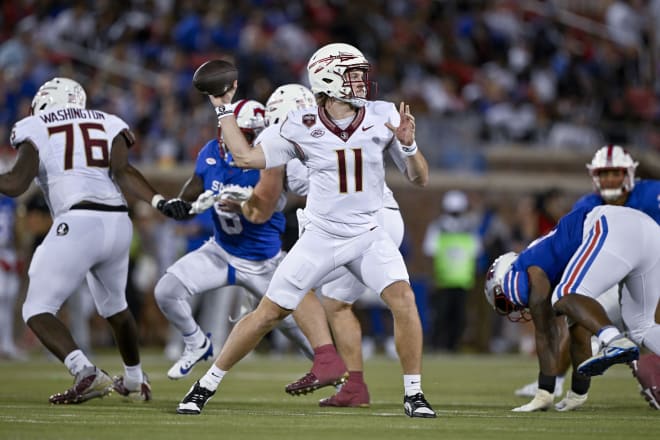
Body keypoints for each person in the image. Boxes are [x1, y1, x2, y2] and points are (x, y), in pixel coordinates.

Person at [176, 43, 436, 418]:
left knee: (404, 300)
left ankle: (414, 394)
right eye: (353, 74)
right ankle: (205, 385)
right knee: (267, 314)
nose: (362, 81)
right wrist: (223, 109)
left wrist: (409, 147)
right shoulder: (299, 124)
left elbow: (420, 178)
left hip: (369, 233)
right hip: (322, 237)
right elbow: (247, 157)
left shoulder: (383, 115)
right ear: (329, 78)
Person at [4, 77, 191, 404]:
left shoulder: (34, 125)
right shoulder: (107, 121)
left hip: (78, 221)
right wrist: (160, 201)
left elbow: (17, 183)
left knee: (37, 308)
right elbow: (124, 171)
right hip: (118, 222)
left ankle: (84, 371)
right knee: (115, 308)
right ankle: (134, 380)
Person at [154, 97, 316, 381]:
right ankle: (195, 342)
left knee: (300, 332)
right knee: (166, 291)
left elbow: (262, 211)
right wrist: (179, 205)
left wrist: (243, 204)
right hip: (221, 252)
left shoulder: (273, 161)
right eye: (235, 132)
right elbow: (191, 193)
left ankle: (335, 373)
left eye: (245, 134)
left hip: (264, 262)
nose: (236, 139)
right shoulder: (211, 152)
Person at [514, 145, 660, 399]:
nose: (610, 179)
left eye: (615, 173)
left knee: (641, 323)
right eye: (604, 174)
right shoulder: (587, 204)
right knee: (581, 310)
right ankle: (558, 381)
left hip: (650, 267)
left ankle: (646, 371)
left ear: (629, 174)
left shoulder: (651, 194)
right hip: (613, 275)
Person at [485, 204, 660, 412]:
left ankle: (614, 340)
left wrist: (544, 392)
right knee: (642, 326)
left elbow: (546, 333)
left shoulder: (519, 269)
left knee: (564, 294)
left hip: (611, 225)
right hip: (648, 229)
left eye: (504, 303)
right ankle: (607, 351)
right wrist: (578, 393)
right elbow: (579, 337)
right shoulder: (558, 274)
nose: (513, 307)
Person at [422, 190, 480, 352]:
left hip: (458, 279)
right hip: (446, 280)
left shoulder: (465, 228)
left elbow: (474, 253)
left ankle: (451, 346)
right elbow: (430, 252)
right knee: (442, 316)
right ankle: (440, 345)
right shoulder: (439, 227)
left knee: (457, 317)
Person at [0, 194, 22, 360]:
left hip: (8, 253)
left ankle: (7, 344)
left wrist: (19, 254)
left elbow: (17, 228)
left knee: (8, 301)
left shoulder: (10, 201)